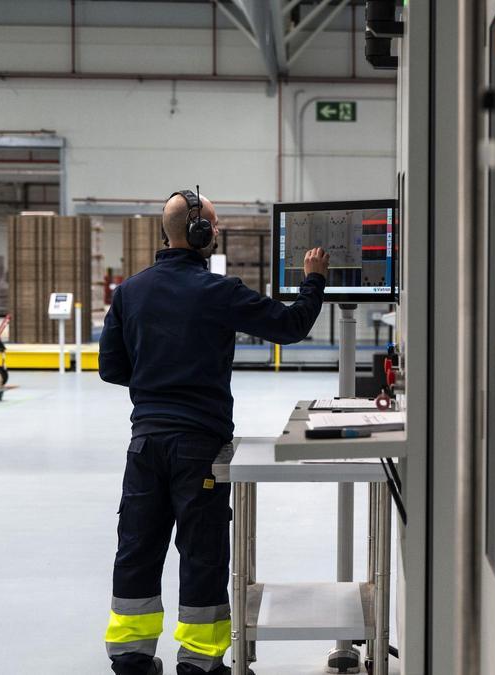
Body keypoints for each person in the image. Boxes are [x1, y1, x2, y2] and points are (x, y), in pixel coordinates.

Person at [99, 189, 330, 675]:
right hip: (198, 447)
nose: (217, 231)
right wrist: (314, 282)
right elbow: (291, 327)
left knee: (138, 546)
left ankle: (130, 656)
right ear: (200, 233)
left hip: (144, 444)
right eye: (214, 224)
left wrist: (157, 373)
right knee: (200, 552)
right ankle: (200, 662)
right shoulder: (218, 292)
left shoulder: (130, 292)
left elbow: (111, 369)